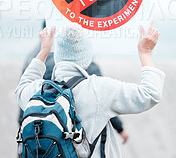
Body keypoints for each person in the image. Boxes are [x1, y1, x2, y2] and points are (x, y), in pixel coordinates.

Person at [15, 21, 164, 158]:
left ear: (57, 56)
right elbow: (150, 94)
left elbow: (21, 87)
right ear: (86, 59)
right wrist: (145, 52)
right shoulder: (98, 89)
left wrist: (43, 51)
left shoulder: (38, 90)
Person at [17, 23, 129, 143]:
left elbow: (25, 89)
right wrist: (120, 128)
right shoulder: (85, 63)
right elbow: (103, 100)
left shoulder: (33, 58)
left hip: (36, 133)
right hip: (73, 139)